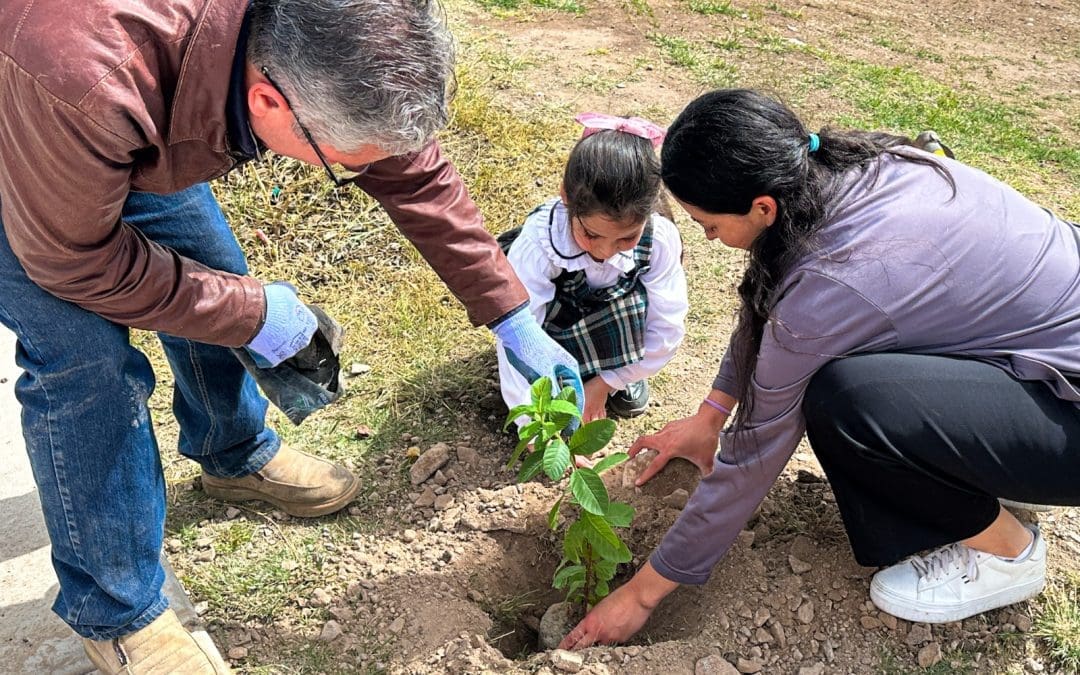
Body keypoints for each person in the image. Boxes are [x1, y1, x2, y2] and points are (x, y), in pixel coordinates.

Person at [0, 0, 582, 672]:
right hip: (28, 131)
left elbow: (409, 168)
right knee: (85, 362)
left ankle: (232, 454)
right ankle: (118, 612)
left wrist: (511, 316)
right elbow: (76, 261)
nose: (353, 169)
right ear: (267, 100)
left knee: (213, 268)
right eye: (343, 164)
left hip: (107, 111)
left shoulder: (332, 29)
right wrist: (253, 313)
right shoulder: (88, 84)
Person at [560, 89, 1080, 649]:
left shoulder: (835, 281)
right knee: (857, 373)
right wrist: (710, 416)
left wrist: (642, 595)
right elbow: (771, 302)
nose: (709, 238)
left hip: (1067, 415)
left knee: (847, 404)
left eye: (708, 225)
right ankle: (991, 463)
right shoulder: (852, 167)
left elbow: (754, 453)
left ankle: (1008, 554)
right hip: (1045, 361)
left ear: (762, 208)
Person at [496, 113, 688, 423]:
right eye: (591, 234)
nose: (604, 251)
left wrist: (608, 381)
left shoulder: (659, 240)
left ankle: (617, 373)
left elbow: (666, 329)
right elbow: (520, 329)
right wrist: (531, 421)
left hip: (613, 326)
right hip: (556, 325)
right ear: (565, 196)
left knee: (639, 304)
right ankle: (559, 377)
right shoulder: (541, 242)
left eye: (626, 238)